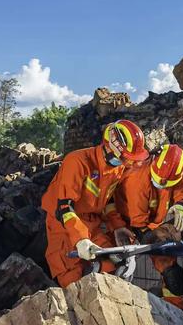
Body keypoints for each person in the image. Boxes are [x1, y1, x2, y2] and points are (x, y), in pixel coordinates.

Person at [42, 119, 149, 288]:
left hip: (92, 223)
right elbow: (63, 207)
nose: (130, 163)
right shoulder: (77, 161)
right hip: (64, 226)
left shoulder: (117, 168)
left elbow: (108, 202)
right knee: (73, 281)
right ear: (111, 146)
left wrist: (117, 227)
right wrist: (80, 239)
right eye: (127, 157)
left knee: (114, 265)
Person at [111, 144, 183, 309]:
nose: (161, 184)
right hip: (127, 223)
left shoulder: (176, 172)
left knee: (171, 270)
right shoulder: (137, 177)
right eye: (158, 179)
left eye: (167, 183)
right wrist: (156, 239)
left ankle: (177, 308)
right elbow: (138, 222)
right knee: (119, 266)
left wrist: (182, 206)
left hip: (154, 222)